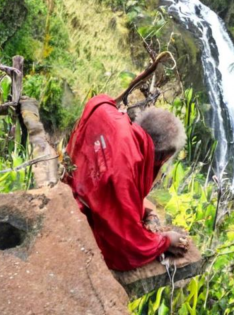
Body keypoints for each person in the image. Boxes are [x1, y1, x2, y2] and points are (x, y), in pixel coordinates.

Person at [64, 94, 190, 271]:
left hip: (73, 186)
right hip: (77, 223)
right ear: (162, 156)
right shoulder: (126, 170)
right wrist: (166, 241)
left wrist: (148, 213)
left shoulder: (108, 117)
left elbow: (100, 102)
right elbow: (127, 246)